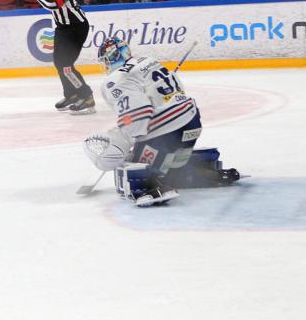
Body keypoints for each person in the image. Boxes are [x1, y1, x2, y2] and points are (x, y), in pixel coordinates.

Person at [82, 37, 239, 207]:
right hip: (192, 121)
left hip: (169, 129)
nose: (105, 66)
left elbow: (138, 114)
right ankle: (203, 173)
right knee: (172, 169)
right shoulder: (149, 61)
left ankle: (151, 184)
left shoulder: (116, 78)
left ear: (114, 56)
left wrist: (124, 141)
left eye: (105, 60)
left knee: (133, 163)